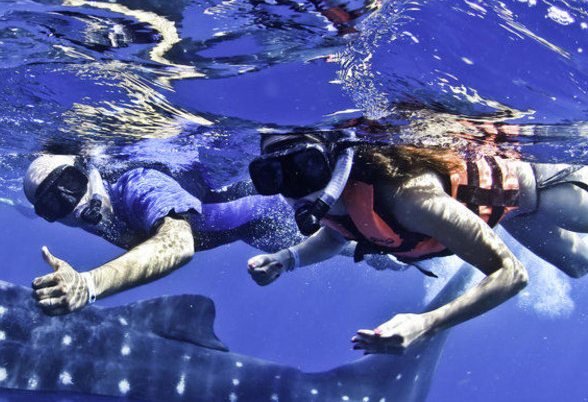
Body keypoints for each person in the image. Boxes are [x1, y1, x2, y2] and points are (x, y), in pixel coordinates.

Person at [246, 131, 588, 354]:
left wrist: (427, 323)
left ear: (336, 158)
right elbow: (338, 235)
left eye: (307, 165)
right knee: (577, 266)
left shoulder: (410, 198)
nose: (294, 187)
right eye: (271, 175)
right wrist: (287, 258)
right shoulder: (330, 198)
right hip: (514, 214)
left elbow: (512, 273)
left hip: (546, 185)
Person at [22, 153, 302, 315]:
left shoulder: (137, 184)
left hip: (285, 209)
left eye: (69, 184)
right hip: (250, 232)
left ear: (88, 172)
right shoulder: (93, 218)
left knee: (340, 240)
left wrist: (90, 285)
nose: (72, 205)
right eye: (52, 205)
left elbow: (179, 244)